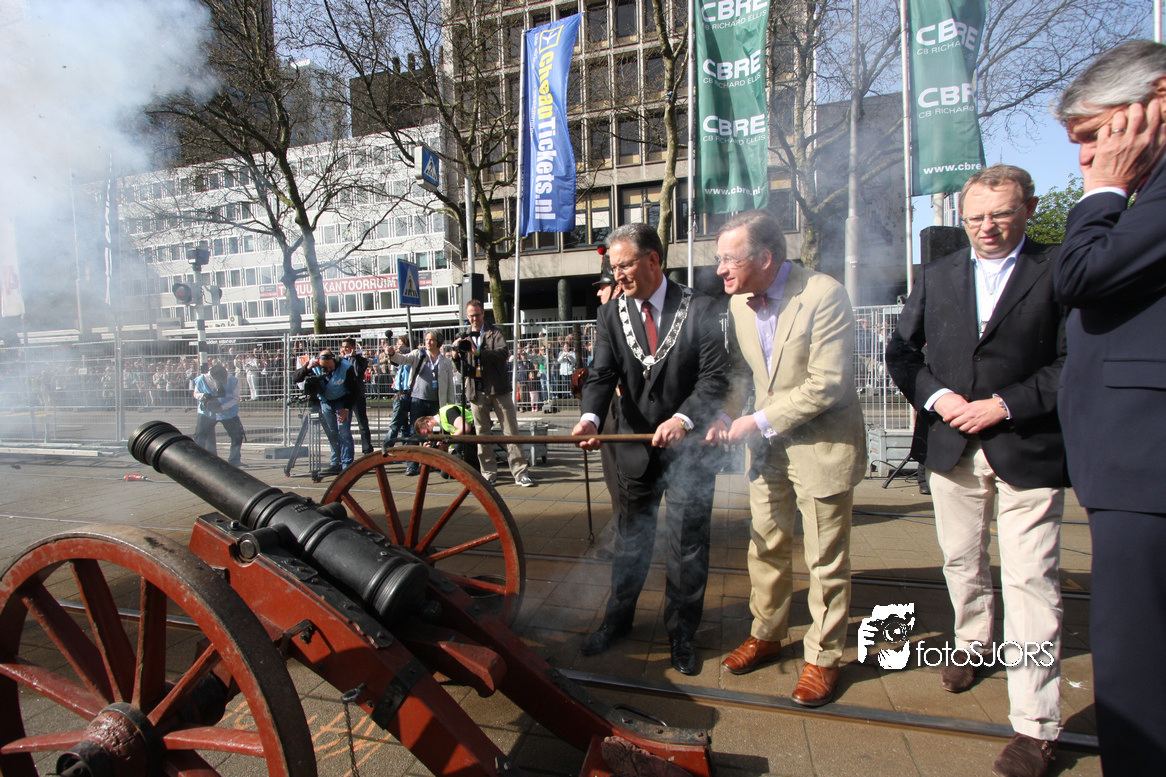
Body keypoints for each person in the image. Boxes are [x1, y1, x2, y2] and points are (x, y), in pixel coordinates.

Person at [885, 164, 1068, 776]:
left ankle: (1035, 725)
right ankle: (972, 645)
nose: (986, 227)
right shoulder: (938, 275)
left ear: (1029, 210)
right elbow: (901, 351)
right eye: (975, 218)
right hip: (951, 445)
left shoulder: (1058, 267)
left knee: (1030, 581)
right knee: (961, 560)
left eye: (1001, 214)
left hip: (1027, 445)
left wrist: (1005, 404)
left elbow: (1074, 359)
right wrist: (938, 399)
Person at [1053, 40, 1166, 774]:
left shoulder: (1139, 192)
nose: (1088, 158)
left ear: (1158, 99)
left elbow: (1083, 276)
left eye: (1095, 134)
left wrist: (1102, 195)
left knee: (1134, 668)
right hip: (1132, 461)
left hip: (1146, 461)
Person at [704, 210, 866, 706]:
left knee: (825, 559)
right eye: (719, 259)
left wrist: (755, 420)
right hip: (768, 448)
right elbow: (743, 374)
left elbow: (827, 383)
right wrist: (725, 413)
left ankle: (823, 657)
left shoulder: (824, 294)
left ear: (765, 258)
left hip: (823, 446)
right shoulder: (738, 305)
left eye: (730, 259)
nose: (719, 270)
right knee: (765, 545)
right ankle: (767, 633)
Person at [572, 223, 730, 676]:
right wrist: (590, 418)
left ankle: (681, 634)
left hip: (689, 450)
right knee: (630, 542)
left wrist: (683, 419)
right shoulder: (610, 314)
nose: (617, 275)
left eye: (624, 265)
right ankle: (617, 621)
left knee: (687, 547)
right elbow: (602, 374)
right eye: (613, 268)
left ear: (653, 260)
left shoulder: (702, 308)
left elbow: (714, 378)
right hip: (634, 448)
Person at [451, 301, 535, 488]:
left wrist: (479, 352)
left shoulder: (494, 333)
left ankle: (520, 473)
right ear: (467, 317)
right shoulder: (464, 336)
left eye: (477, 314)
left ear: (483, 314)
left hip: (498, 389)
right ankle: (488, 474)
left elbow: (502, 354)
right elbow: (463, 370)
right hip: (476, 390)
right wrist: (456, 357)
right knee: (482, 434)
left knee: (511, 431)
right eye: (471, 316)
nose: (474, 319)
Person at [386, 330, 456, 475]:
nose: (428, 342)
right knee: (414, 432)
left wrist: (449, 405)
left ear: (438, 342)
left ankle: (434, 462)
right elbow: (403, 359)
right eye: (427, 339)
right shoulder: (418, 354)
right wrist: (392, 354)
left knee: (435, 433)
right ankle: (412, 464)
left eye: (431, 339)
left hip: (437, 403)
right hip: (418, 400)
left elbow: (450, 385)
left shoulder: (445, 362)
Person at [293, 350, 360, 476]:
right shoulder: (313, 365)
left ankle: (347, 464)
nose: (328, 370)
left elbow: (355, 390)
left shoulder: (346, 367)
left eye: (330, 367)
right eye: (325, 368)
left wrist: (346, 408)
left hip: (342, 401)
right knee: (331, 433)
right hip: (325, 402)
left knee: (344, 432)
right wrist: (307, 368)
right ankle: (335, 462)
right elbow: (296, 378)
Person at [191, 363, 245, 467]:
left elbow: (235, 398)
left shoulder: (233, 380)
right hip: (207, 412)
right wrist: (204, 396)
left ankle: (234, 460)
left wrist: (222, 407)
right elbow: (196, 394)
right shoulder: (202, 380)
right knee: (200, 436)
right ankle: (198, 460)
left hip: (228, 413)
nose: (223, 381)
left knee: (237, 436)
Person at [339, 337, 374, 455]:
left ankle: (367, 449)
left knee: (362, 423)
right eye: (343, 347)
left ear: (353, 348)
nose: (344, 349)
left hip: (357, 395)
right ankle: (345, 452)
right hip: (344, 395)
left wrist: (353, 358)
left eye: (347, 347)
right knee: (344, 425)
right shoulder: (341, 360)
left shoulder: (361, 360)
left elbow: (357, 373)